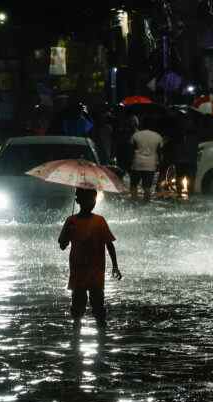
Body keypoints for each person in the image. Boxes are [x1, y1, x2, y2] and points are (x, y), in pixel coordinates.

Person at [58, 188, 122, 329]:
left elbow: (109, 245)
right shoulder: (71, 221)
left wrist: (115, 266)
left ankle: (94, 335)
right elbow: (62, 244)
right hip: (80, 271)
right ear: (78, 201)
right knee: (78, 308)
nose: (91, 203)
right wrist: (66, 235)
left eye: (93, 200)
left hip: (95, 272)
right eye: (88, 199)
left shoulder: (99, 221)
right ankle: (83, 334)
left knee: (98, 306)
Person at [129, 117, 164, 203]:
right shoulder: (158, 136)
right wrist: (160, 163)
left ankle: (134, 202)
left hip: (137, 163)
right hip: (150, 164)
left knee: (134, 185)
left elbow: (131, 149)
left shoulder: (136, 135)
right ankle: (146, 203)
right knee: (147, 187)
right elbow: (160, 152)